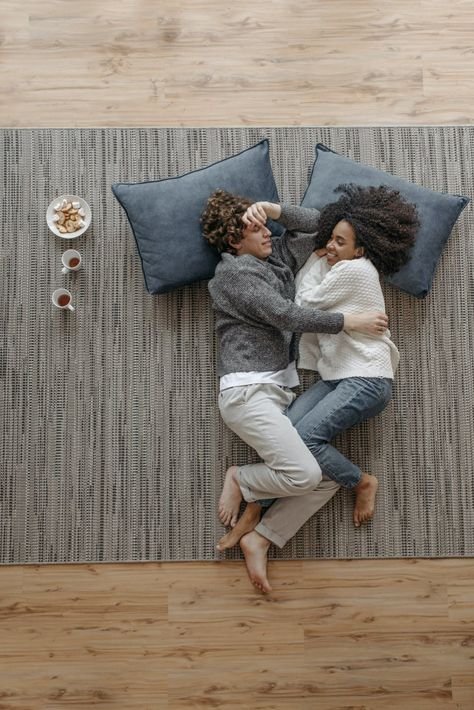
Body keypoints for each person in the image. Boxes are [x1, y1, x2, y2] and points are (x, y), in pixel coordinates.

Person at [215, 184, 419, 593]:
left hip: (290, 385)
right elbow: (286, 313)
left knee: (316, 471)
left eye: (268, 227)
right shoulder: (234, 273)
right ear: (236, 240)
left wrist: (273, 209)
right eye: (258, 229)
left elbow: (325, 223)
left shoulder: (282, 260)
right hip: (249, 387)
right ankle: (252, 492)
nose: (270, 233)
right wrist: (350, 321)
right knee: (308, 465)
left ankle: (262, 528)